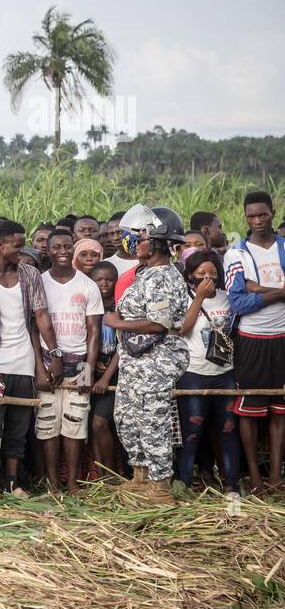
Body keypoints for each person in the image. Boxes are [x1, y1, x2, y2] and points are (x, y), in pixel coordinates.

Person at [0, 220, 61, 500]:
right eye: (17, 246)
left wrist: (53, 355)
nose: (22, 251)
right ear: (0, 245)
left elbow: (41, 317)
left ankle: (11, 482)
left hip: (25, 361)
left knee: (18, 428)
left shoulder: (30, 274)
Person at [108, 205, 189, 504]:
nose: (131, 242)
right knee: (128, 419)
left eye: (138, 237)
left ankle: (161, 486)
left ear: (154, 241)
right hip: (135, 361)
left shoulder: (162, 277)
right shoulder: (145, 274)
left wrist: (118, 323)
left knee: (152, 421)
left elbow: (159, 324)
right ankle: (140, 476)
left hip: (156, 362)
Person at [225, 190, 285, 493]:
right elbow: (238, 303)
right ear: (245, 217)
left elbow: (249, 296)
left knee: (280, 409)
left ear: (273, 212)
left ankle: (275, 476)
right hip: (251, 340)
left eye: (263, 214)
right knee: (249, 411)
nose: (257, 220)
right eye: (251, 216)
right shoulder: (237, 254)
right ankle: (256, 479)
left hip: (282, 339)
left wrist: (258, 289)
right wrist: (279, 292)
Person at [37, 230, 103, 494]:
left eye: (67, 246)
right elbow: (33, 329)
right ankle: (53, 484)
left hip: (77, 363)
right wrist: (38, 368)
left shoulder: (87, 285)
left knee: (75, 425)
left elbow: (94, 331)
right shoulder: (39, 282)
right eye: (56, 247)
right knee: (47, 425)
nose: (62, 251)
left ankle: (73, 482)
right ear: (48, 251)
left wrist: (88, 367)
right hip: (45, 361)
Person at [176, 250, 242, 494]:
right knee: (192, 431)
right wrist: (199, 298)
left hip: (225, 372)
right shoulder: (184, 297)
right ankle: (183, 484)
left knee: (228, 429)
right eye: (201, 274)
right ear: (190, 276)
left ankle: (232, 485)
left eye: (212, 273)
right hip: (193, 372)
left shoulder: (227, 298)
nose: (207, 278)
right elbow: (182, 329)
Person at [88, 262, 122, 479]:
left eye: (109, 279)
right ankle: (100, 474)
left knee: (101, 423)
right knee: (93, 427)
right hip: (91, 372)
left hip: (114, 374)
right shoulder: (88, 305)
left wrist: (107, 373)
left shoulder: (121, 307)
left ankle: (110, 475)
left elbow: (124, 346)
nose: (104, 284)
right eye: (99, 279)